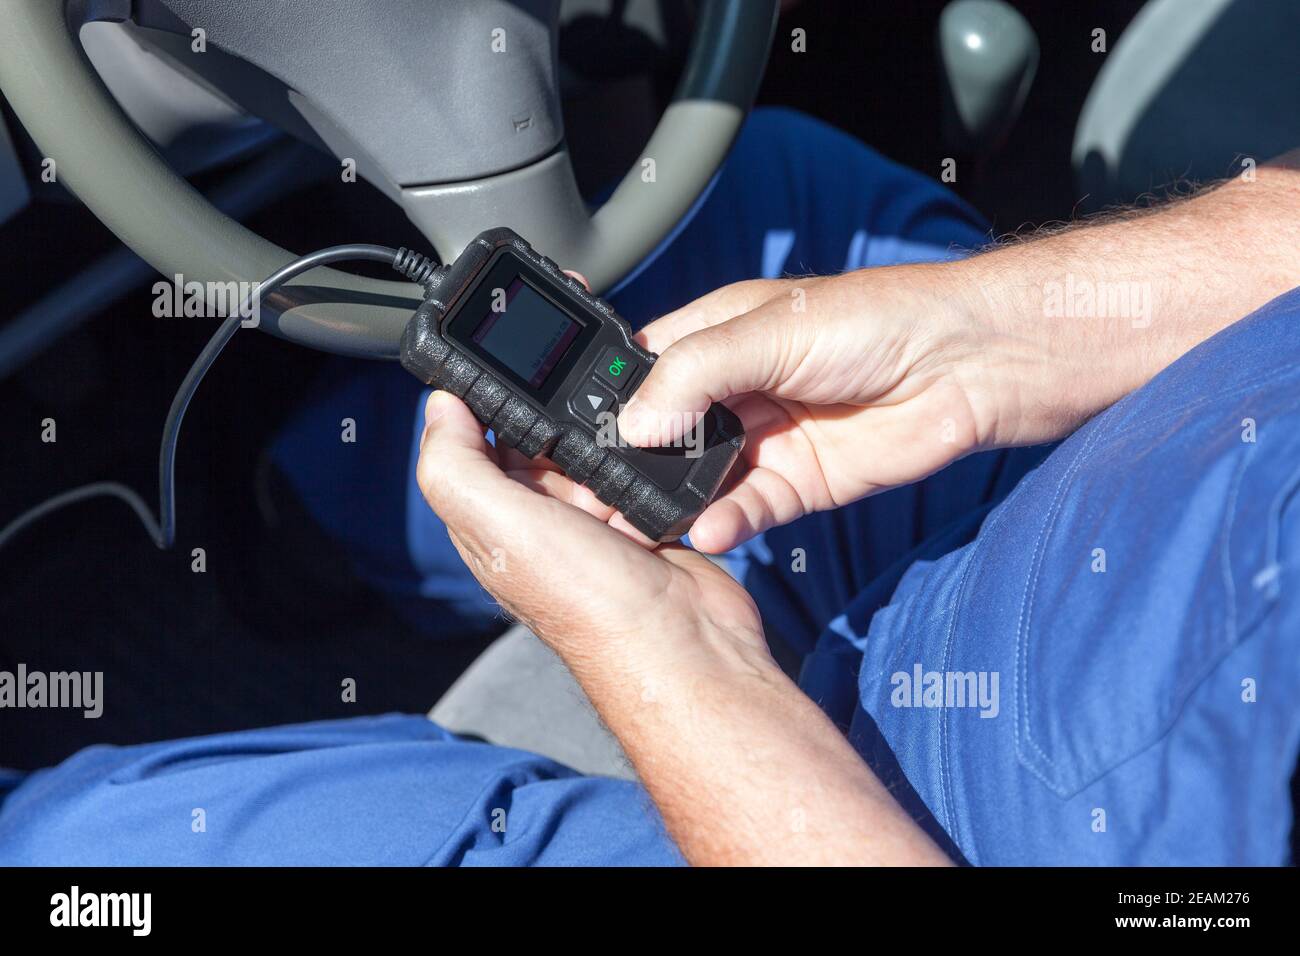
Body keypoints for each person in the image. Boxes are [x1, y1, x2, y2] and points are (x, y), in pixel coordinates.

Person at [1, 109, 1297, 865]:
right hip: (1127, 469)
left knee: (78, 849)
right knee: (775, 193)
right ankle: (309, 515)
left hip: (975, 809)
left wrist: (682, 672)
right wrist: (977, 343)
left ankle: (299, 526)